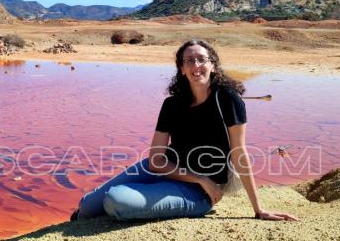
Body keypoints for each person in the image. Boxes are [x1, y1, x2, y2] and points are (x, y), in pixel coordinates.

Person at [71, 39, 299, 222]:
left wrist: (258, 209)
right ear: (181, 68)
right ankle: (84, 216)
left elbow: (240, 154)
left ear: (213, 65)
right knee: (88, 206)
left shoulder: (228, 99)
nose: (195, 65)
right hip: (169, 170)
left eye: (201, 59)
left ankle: (150, 195)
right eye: (188, 60)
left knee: (115, 200)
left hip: (198, 192)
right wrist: (199, 177)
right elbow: (155, 160)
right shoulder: (172, 104)